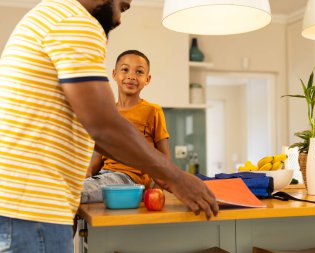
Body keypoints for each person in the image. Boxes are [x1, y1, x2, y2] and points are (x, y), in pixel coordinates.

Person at [0, 0, 218, 252]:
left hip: (23, 206)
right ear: (114, 74)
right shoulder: (76, 21)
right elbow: (104, 127)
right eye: (123, 6)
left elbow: (103, 133)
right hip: (32, 208)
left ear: (147, 79)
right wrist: (175, 177)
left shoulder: (53, 16)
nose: (120, 18)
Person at [81, 49, 170, 203]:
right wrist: (85, 173)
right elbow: (98, 157)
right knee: (68, 188)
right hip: (104, 176)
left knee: (72, 193)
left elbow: (164, 157)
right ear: (115, 74)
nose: (131, 76)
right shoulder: (105, 113)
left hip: (131, 180)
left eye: (139, 72)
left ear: (147, 79)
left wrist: (158, 189)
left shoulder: (153, 111)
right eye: (125, 69)